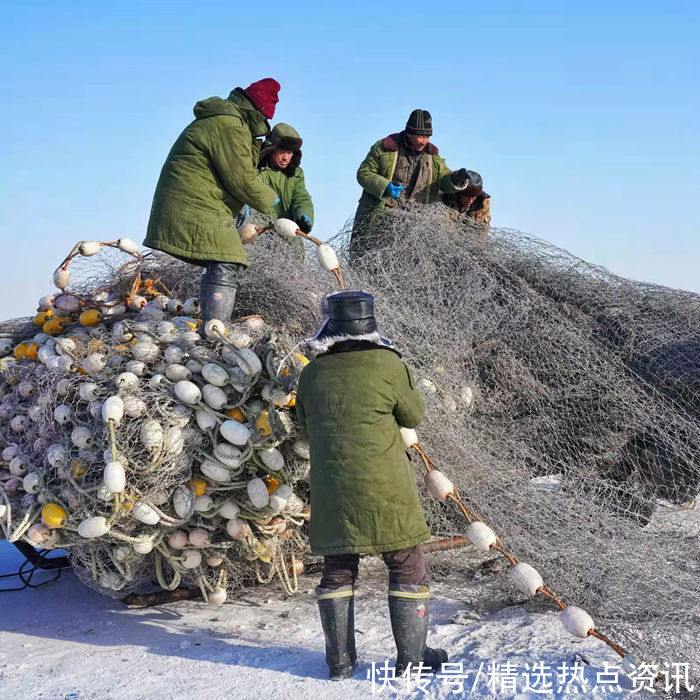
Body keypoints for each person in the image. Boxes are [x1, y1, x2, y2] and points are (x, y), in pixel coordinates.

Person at [295, 291, 448, 680]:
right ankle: (413, 659)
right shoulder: (388, 363)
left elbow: (304, 427)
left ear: (329, 327)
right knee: (406, 562)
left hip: (333, 488)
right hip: (385, 484)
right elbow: (414, 414)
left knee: (338, 566)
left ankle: (340, 662)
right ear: (370, 325)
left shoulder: (310, 373)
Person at [144, 78, 281, 323]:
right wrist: (274, 204)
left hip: (192, 199)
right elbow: (241, 178)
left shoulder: (225, 120)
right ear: (257, 111)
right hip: (192, 202)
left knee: (220, 257)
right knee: (227, 257)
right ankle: (215, 328)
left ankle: (212, 323)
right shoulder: (229, 125)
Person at [351, 109, 473, 254]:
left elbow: (444, 180)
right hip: (380, 221)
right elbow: (364, 173)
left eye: (428, 136)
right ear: (409, 133)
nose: (424, 141)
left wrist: (456, 178)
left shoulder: (433, 156)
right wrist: (384, 186)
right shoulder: (385, 148)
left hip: (413, 227)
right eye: (421, 136)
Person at [258, 123, 314, 234]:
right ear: (271, 149)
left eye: (289, 152)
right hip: (258, 233)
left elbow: (301, 198)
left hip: (287, 236)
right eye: (282, 151)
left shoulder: (295, 174)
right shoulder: (253, 169)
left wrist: (304, 215)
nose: (286, 158)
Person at [440, 170, 492, 238]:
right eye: (467, 197)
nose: (470, 201)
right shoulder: (445, 199)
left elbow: (482, 232)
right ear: (459, 193)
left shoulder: (482, 203)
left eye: (473, 197)